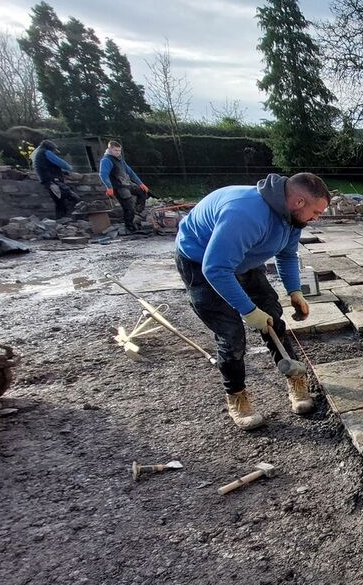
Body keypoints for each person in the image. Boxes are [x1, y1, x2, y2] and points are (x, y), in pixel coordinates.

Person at [174, 172, 328, 430]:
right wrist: (247, 310)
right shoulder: (245, 213)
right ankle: (238, 399)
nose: (317, 218)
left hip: (243, 259)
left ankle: (295, 379)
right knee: (231, 336)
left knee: (272, 320)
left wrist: (295, 291)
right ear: (299, 201)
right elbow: (216, 268)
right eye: (317, 212)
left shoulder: (292, 218)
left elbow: (287, 255)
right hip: (202, 263)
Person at [99, 140, 150, 233]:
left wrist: (141, 183)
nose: (118, 152)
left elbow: (130, 172)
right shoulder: (106, 160)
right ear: (110, 149)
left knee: (142, 192)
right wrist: (109, 187)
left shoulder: (120, 159)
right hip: (118, 187)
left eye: (119, 150)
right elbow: (103, 174)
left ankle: (138, 211)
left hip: (126, 184)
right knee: (128, 207)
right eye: (115, 150)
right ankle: (129, 226)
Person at [31, 140, 80, 219]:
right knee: (73, 198)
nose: (54, 152)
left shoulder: (39, 153)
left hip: (47, 181)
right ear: (51, 148)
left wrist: (64, 173)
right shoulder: (46, 152)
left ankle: (61, 221)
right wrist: (70, 168)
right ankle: (74, 219)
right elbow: (60, 163)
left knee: (59, 202)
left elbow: (48, 166)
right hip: (53, 181)